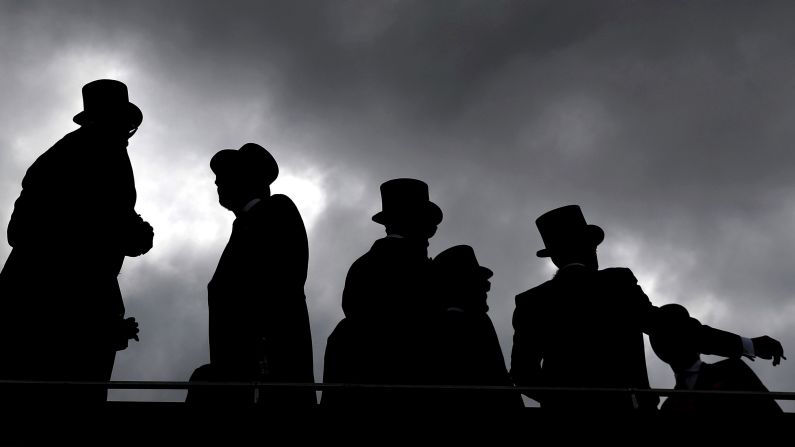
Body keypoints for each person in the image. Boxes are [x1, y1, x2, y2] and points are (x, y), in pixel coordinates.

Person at [510, 205, 785, 412]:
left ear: (555, 258)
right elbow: (667, 325)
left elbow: (523, 375)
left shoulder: (529, 303)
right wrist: (747, 344)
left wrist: (566, 403)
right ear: (589, 248)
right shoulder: (616, 283)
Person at [0, 79, 151, 405]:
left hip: (69, 309)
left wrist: (131, 230)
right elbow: (23, 231)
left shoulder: (97, 155)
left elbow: (117, 219)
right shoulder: (89, 156)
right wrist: (124, 232)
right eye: (124, 127)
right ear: (110, 122)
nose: (127, 136)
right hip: (53, 312)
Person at [187, 143, 314, 408]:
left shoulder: (275, 210)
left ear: (249, 180)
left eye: (227, 174)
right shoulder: (245, 224)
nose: (217, 182)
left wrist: (262, 351)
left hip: (267, 367)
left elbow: (277, 284)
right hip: (243, 368)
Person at [322, 178, 442, 408]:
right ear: (415, 224)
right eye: (427, 225)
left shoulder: (362, 266)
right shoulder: (424, 271)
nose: (431, 234)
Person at [433, 245, 523, 409]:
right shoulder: (475, 323)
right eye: (480, 285)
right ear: (463, 287)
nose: (486, 291)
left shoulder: (481, 321)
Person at [650, 304, 782, 415]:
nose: (674, 343)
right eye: (666, 339)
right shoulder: (669, 406)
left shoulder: (733, 371)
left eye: (678, 335)